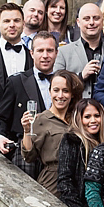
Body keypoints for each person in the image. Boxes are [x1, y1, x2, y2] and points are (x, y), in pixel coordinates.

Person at [22, 69, 83, 198]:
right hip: (53, 182)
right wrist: (27, 131)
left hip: (78, 179)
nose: (60, 95)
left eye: (65, 91)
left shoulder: (78, 119)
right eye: (56, 90)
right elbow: (29, 156)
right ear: (49, 92)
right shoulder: (41, 119)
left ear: (72, 94)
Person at [58, 100, 104, 207]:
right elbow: (65, 181)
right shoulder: (71, 140)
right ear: (79, 119)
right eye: (87, 117)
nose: (93, 120)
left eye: (97, 116)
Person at [54, 1, 104, 101]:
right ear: (78, 22)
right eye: (86, 19)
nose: (91, 22)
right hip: (74, 112)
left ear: (103, 20)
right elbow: (56, 86)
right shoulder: (63, 52)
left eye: (96, 18)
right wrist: (81, 76)